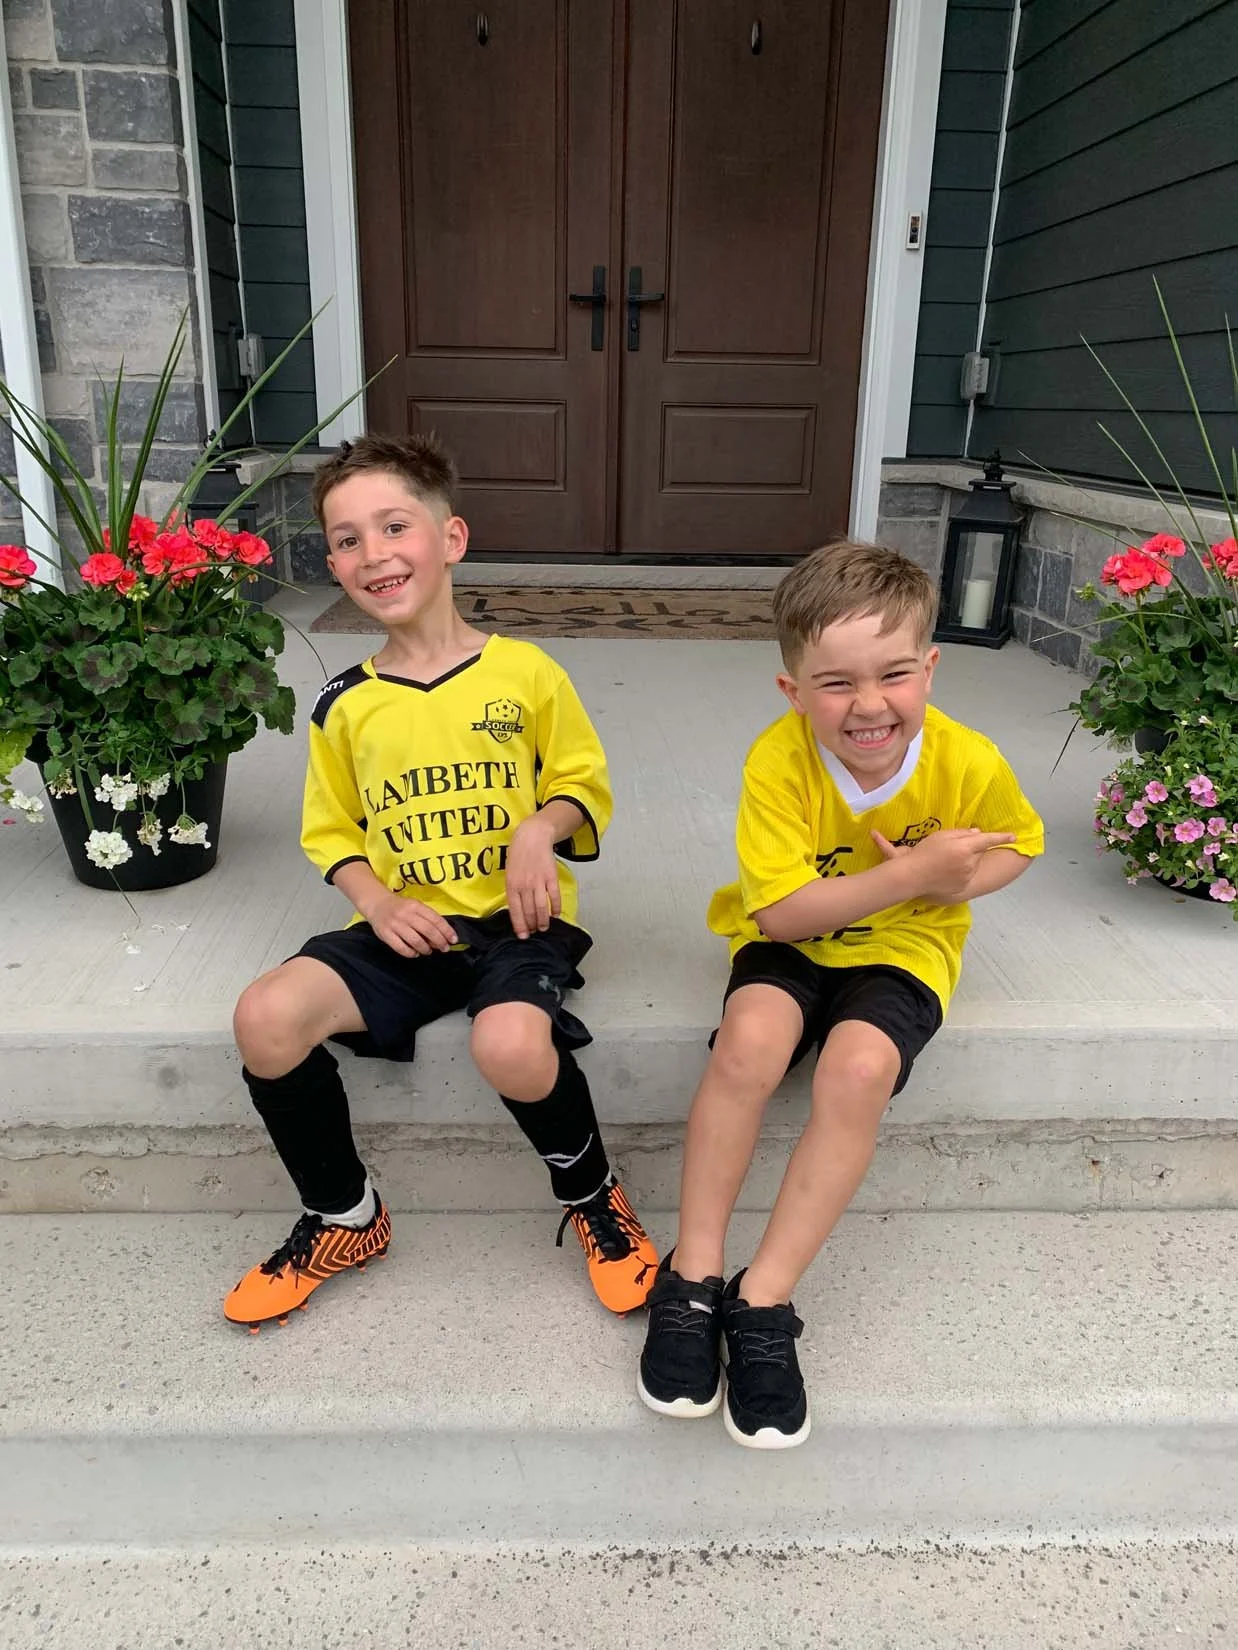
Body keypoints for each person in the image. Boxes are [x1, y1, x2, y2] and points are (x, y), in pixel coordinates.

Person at [224, 434, 657, 1330]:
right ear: (333, 563)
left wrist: (542, 826)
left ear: (450, 537)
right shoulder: (345, 703)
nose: (373, 553)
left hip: (518, 924)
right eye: (346, 539)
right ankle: (346, 1216)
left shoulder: (526, 673)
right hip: (408, 929)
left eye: (394, 526)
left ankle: (594, 1198)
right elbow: (332, 832)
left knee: (506, 1043)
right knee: (265, 1017)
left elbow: (582, 781)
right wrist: (375, 902)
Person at [637, 540, 1044, 1448]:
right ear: (793, 691)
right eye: (836, 684)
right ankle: (694, 1275)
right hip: (796, 938)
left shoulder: (966, 762)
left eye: (894, 674)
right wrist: (913, 874)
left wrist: (952, 884)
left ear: (929, 669)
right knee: (748, 1044)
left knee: (857, 1070)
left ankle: (764, 1297)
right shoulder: (779, 763)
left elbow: (1019, 844)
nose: (869, 706)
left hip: (907, 947)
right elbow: (781, 916)